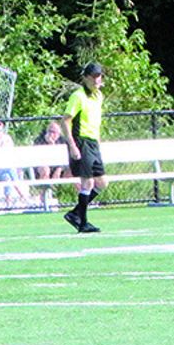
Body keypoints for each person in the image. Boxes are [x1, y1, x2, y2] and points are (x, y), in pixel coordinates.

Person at [60, 62, 107, 233]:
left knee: (102, 182)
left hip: (93, 142)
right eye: (94, 76)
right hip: (81, 141)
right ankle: (83, 222)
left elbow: (95, 121)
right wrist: (72, 145)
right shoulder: (78, 96)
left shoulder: (99, 96)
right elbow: (65, 120)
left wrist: (98, 141)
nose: (97, 80)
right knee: (87, 182)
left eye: (99, 76)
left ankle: (75, 213)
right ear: (85, 78)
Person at [33, 120, 75, 210]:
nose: (51, 134)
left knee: (76, 171)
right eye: (49, 131)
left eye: (54, 132)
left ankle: (84, 199)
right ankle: (43, 198)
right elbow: (38, 158)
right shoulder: (39, 140)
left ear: (59, 133)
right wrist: (50, 145)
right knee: (45, 170)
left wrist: (59, 169)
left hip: (59, 168)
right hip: (43, 166)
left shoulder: (63, 141)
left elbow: (66, 158)